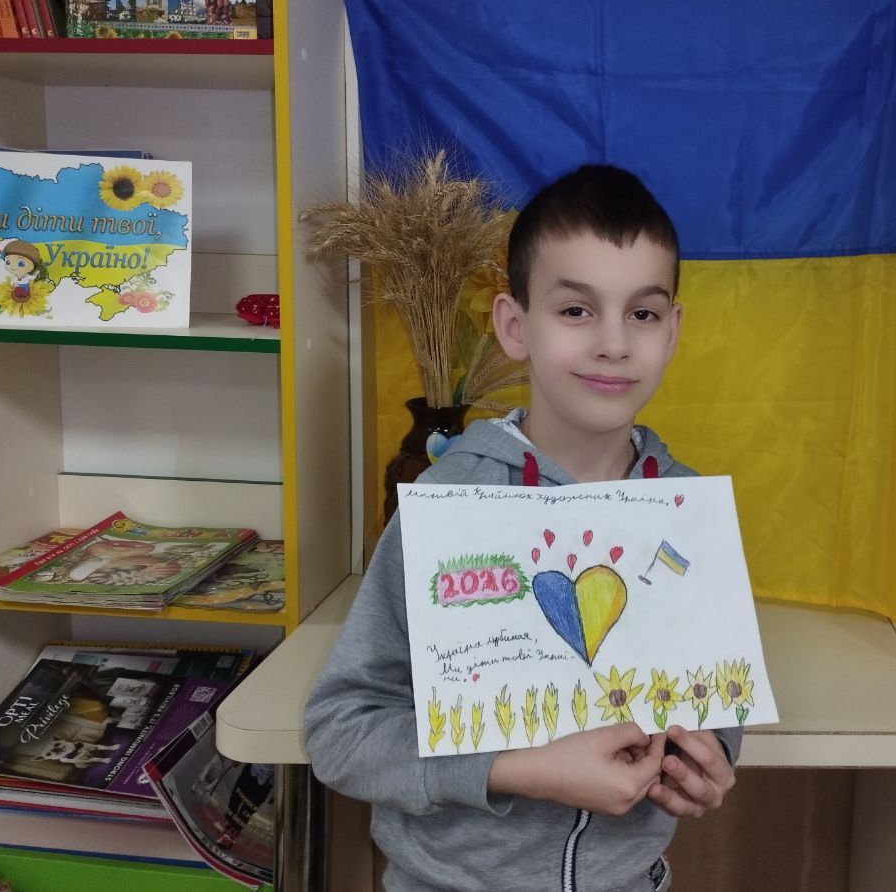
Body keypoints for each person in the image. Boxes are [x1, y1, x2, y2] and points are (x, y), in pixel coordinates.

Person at [304, 165, 739, 892]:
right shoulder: (450, 501)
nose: (613, 343)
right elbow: (342, 731)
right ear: (514, 326)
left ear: (672, 330)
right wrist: (516, 769)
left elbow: (714, 699)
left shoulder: (688, 510)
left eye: (642, 313)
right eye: (576, 310)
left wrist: (710, 756)